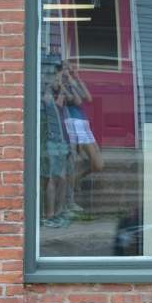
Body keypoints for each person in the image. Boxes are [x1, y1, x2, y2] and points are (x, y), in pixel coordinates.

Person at [60, 61, 103, 210]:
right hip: (73, 124)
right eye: (70, 68)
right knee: (75, 164)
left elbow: (89, 98)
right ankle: (69, 200)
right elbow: (78, 101)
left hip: (83, 124)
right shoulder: (62, 85)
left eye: (73, 68)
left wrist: (78, 80)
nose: (73, 70)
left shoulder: (73, 82)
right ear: (64, 70)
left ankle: (76, 179)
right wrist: (70, 81)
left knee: (98, 164)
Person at [41, 65, 71, 229]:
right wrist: (61, 86)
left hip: (63, 141)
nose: (60, 82)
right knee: (53, 178)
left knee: (63, 178)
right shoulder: (47, 94)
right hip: (53, 142)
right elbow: (57, 104)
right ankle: (49, 215)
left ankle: (59, 212)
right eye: (57, 78)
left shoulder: (58, 94)